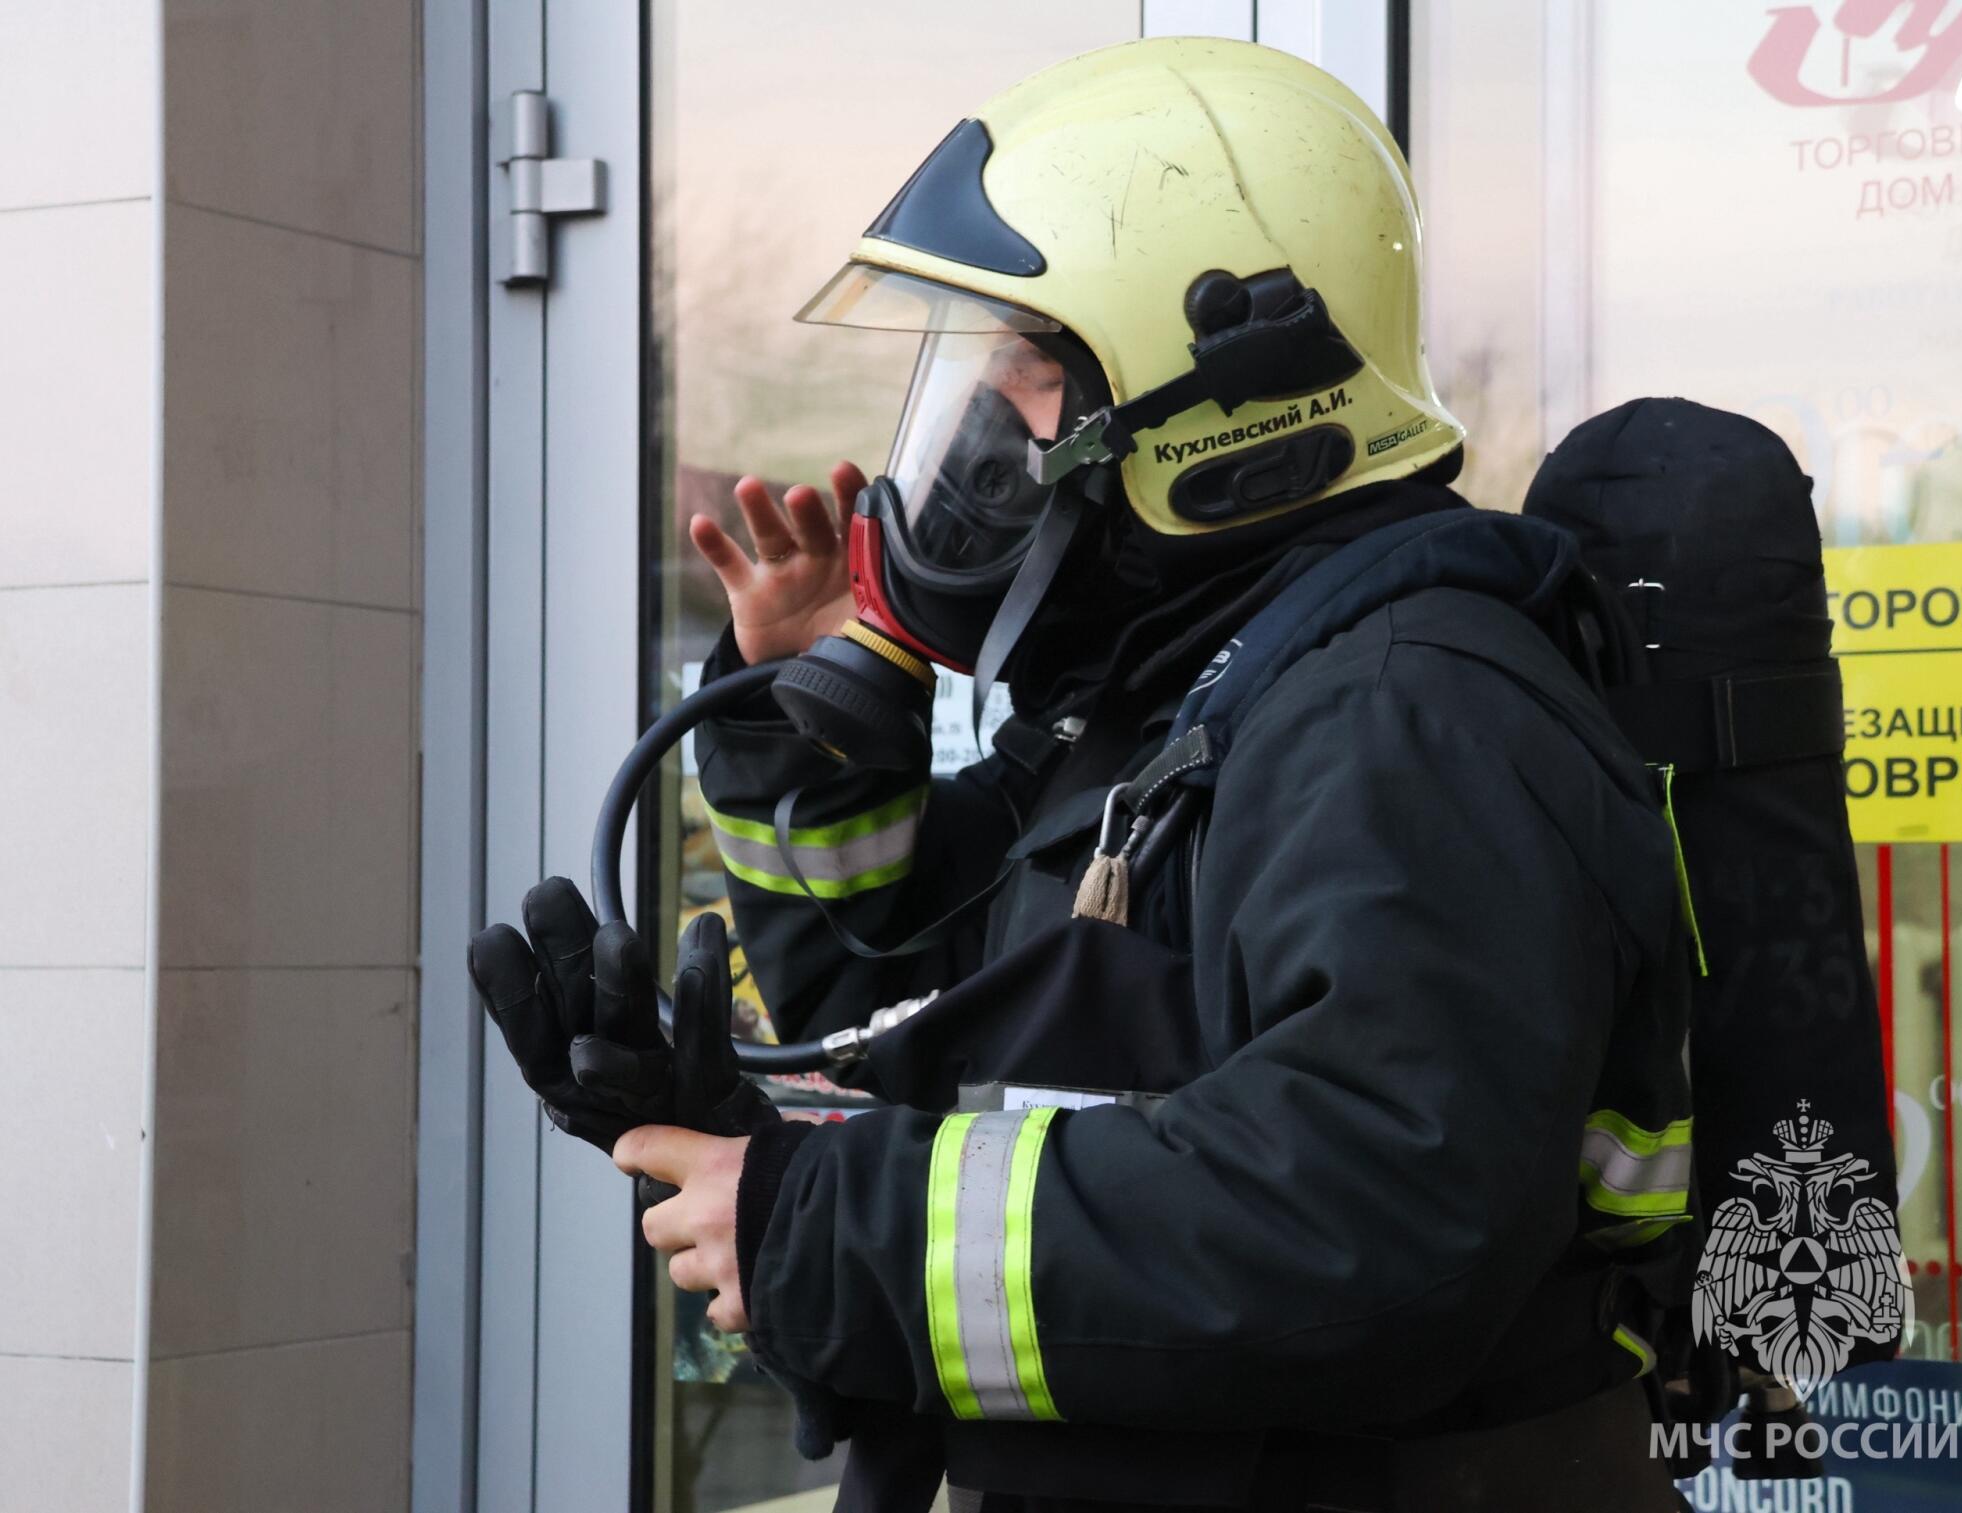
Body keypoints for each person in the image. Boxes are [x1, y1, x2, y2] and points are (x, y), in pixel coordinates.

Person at [473, 37, 1695, 1513]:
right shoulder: (1173, 698)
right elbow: (927, 1020)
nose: (987, 424)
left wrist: (827, 1230)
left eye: (1034, 367)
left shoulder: (1408, 712)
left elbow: (1370, 1212)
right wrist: (726, 1113)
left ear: (1231, 400)